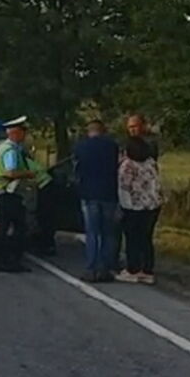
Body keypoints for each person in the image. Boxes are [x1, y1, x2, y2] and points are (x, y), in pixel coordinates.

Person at [73, 119, 120, 283]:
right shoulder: (112, 146)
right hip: (109, 194)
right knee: (108, 233)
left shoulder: (81, 146)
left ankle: (92, 268)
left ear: (89, 131)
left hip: (89, 194)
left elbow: (77, 170)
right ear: (103, 131)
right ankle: (105, 269)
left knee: (92, 232)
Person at [0, 116, 37, 273]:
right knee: (19, 227)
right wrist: (28, 174)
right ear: (15, 133)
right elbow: (10, 172)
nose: (24, 136)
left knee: (3, 226)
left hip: (2, 191)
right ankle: (11, 260)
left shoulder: (5, 147)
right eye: (23, 132)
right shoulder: (10, 150)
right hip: (8, 191)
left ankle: (1, 260)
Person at [116, 137, 162, 285]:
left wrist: (124, 208)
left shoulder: (127, 165)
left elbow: (124, 188)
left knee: (132, 238)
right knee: (146, 238)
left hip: (134, 206)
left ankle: (133, 269)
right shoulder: (151, 163)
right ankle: (147, 271)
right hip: (152, 205)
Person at [27, 154, 56, 255]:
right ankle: (47, 244)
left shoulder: (23, 163)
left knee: (43, 217)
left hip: (44, 186)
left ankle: (45, 245)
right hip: (46, 184)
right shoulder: (29, 162)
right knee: (45, 217)